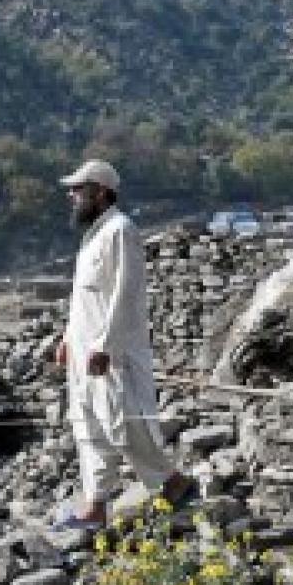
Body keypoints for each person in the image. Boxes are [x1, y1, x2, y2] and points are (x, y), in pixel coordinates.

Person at [54, 159, 194, 529]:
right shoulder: (93, 235)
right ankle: (95, 505)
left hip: (110, 353)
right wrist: (69, 339)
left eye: (79, 190)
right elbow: (83, 298)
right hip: (84, 353)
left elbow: (124, 293)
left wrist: (105, 345)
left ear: (101, 192)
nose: (72, 196)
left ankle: (171, 481)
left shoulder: (121, 230)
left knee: (124, 423)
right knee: (88, 427)